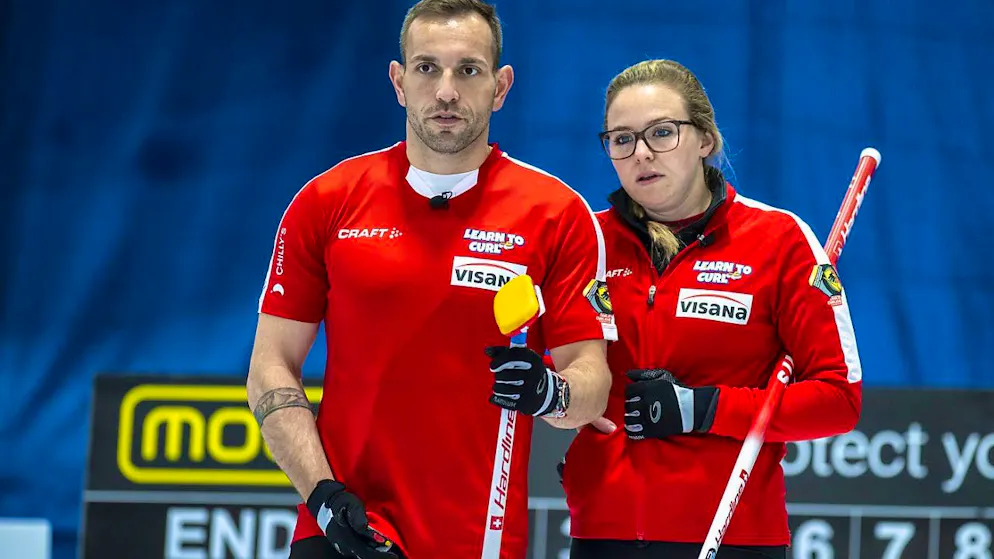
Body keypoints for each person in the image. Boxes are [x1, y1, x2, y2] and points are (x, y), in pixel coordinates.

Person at [246, 1, 616, 558]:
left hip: (481, 538)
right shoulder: (326, 201)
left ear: (500, 85)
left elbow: (592, 385)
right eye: (426, 68)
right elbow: (270, 367)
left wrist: (551, 392)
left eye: (468, 70)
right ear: (398, 81)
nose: (446, 91)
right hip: (346, 528)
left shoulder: (556, 212)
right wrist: (321, 495)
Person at [559, 59, 863, 559]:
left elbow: (837, 400)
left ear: (704, 139)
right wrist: (550, 391)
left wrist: (705, 408)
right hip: (602, 534)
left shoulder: (779, 241)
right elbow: (567, 368)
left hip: (732, 537)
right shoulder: (585, 241)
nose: (641, 154)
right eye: (621, 139)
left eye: (662, 132)